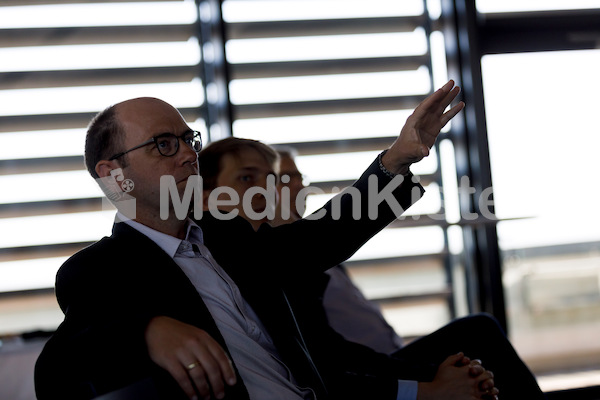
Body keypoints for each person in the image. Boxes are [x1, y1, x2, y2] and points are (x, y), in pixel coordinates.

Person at [33, 81, 503, 400]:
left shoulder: (230, 238)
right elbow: (58, 368)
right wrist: (145, 331)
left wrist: (395, 163)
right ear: (113, 174)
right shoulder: (98, 270)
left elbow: (321, 238)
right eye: (162, 144)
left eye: (187, 139)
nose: (186, 155)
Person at [198, 138, 546, 400]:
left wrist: (434, 376)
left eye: (275, 179)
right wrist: (425, 388)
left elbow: (334, 350)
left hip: (366, 371)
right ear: (205, 197)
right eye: (247, 178)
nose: (268, 189)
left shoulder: (280, 255)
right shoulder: (238, 258)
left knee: (476, 353)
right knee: (479, 333)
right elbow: (329, 368)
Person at [272, 145, 404, 354]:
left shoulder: (323, 248)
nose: (299, 186)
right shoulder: (283, 257)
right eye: (287, 178)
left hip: (390, 358)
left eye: (300, 178)